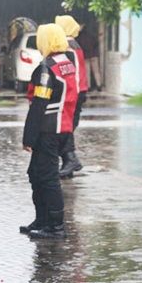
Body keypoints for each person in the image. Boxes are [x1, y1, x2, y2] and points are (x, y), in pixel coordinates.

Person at [21, 23, 78, 239]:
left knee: (47, 176)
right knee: (36, 173)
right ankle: (42, 220)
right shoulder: (66, 63)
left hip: (48, 128)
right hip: (63, 127)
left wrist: (29, 137)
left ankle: (55, 226)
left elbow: (39, 104)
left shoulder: (47, 68)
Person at [55, 15, 88, 178]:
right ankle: (69, 161)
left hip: (73, 92)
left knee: (65, 127)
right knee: (65, 126)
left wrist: (69, 94)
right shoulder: (73, 43)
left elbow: (70, 72)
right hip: (78, 90)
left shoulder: (67, 45)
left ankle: (71, 160)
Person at [76, 25, 102, 92]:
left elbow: (79, 46)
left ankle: (89, 86)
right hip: (93, 55)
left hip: (86, 55)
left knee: (87, 71)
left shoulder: (80, 36)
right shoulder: (92, 34)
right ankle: (99, 85)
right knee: (96, 71)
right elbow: (96, 43)